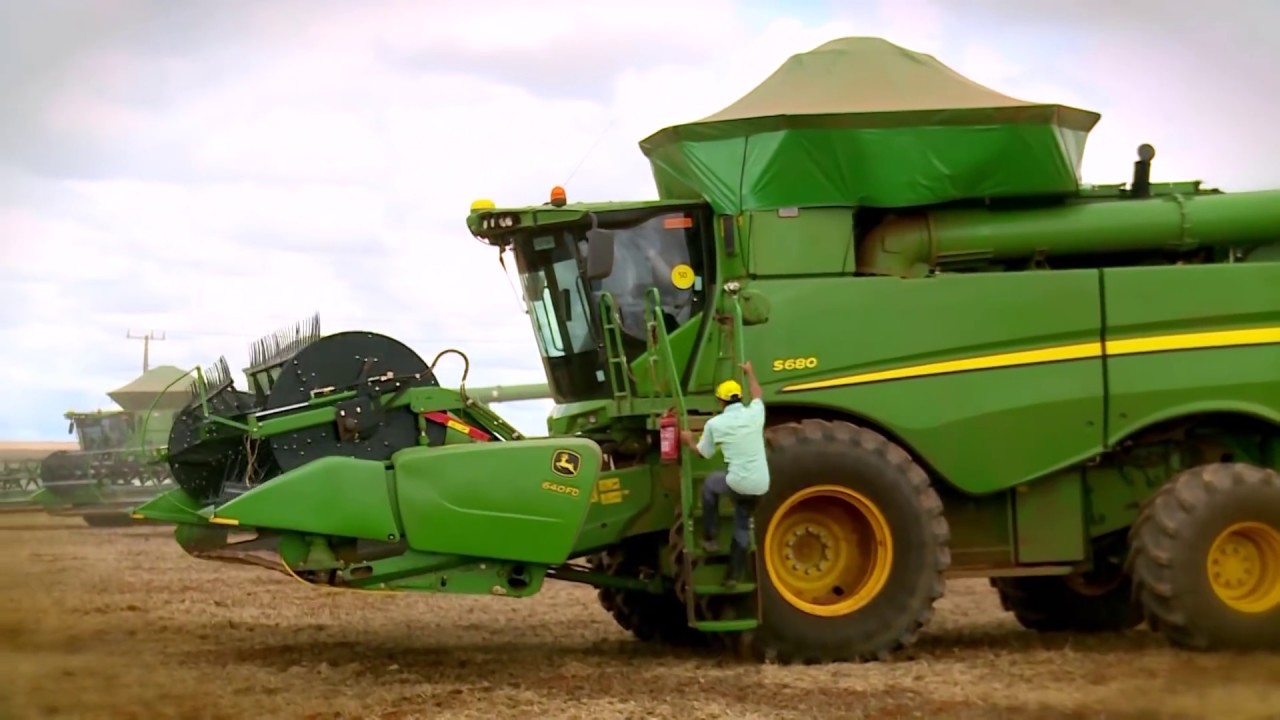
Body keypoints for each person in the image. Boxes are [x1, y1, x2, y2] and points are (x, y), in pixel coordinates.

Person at [680, 360, 769, 585]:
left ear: (720, 401)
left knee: (710, 484)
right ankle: (733, 576)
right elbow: (758, 393)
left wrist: (689, 440)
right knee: (742, 526)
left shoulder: (715, 424)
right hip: (761, 485)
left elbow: (703, 454)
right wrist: (750, 372)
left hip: (738, 483)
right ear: (740, 397)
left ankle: (710, 537)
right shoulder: (755, 413)